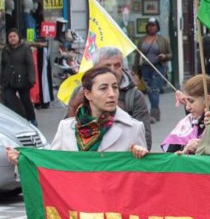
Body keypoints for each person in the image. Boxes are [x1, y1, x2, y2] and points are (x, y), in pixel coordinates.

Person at [7, 67, 148, 163]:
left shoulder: (133, 128)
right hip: (76, 205)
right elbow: (52, 164)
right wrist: (23, 160)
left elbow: (141, 178)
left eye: (115, 87)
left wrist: (142, 156)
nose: (112, 94)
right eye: (103, 88)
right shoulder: (66, 127)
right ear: (88, 94)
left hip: (113, 205)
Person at [66, 47, 152, 149]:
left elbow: (144, 139)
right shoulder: (81, 91)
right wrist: (76, 106)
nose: (112, 70)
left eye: (117, 65)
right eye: (107, 66)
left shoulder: (134, 96)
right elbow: (68, 131)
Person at [162, 75, 210, 153]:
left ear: (207, 100)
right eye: (186, 101)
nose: (187, 107)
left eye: (191, 101)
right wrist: (184, 151)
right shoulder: (188, 122)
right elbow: (171, 156)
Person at [134, 18, 172, 123]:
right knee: (149, 91)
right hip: (145, 68)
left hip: (158, 67)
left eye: (154, 25)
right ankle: (156, 110)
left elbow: (170, 54)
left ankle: (154, 114)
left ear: (157, 27)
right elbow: (138, 56)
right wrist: (135, 70)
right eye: (150, 25)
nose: (151, 27)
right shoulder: (142, 40)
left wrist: (164, 56)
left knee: (154, 90)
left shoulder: (163, 39)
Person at [1, 29, 37, 126]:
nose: (12, 39)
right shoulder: (5, 49)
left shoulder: (25, 48)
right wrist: (2, 79)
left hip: (23, 79)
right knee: (9, 100)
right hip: (9, 80)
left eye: (14, 36)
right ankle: (16, 122)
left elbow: (30, 64)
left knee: (26, 101)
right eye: (10, 37)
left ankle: (32, 120)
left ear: (18, 37)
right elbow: (3, 65)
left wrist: (31, 79)